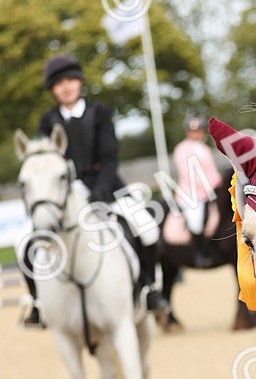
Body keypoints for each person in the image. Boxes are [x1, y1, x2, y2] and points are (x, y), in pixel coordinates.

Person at [21, 53, 169, 326]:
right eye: (59, 83)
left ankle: (149, 289)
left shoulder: (100, 113)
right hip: (63, 196)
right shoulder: (47, 121)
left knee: (147, 227)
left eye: (71, 80)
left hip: (106, 189)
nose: (66, 87)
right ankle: (37, 303)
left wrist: (98, 191)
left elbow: (110, 157)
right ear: (52, 90)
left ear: (80, 82)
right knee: (28, 246)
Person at [172, 114, 223, 267]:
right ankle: (199, 253)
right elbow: (187, 173)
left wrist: (218, 184)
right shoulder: (181, 149)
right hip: (191, 193)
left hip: (210, 190)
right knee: (195, 221)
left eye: (198, 130)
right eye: (192, 130)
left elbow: (211, 170)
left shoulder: (204, 148)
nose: (195, 133)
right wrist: (206, 187)